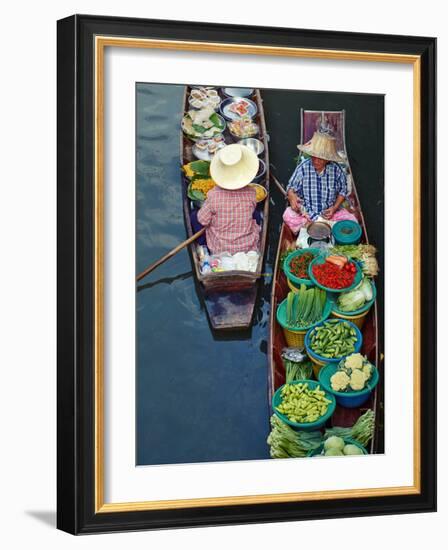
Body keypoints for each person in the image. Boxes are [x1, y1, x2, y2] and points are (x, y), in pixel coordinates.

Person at [283, 131, 358, 233]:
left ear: (327, 159)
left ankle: (319, 227)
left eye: (320, 158)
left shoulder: (336, 170)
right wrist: (292, 197)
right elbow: (290, 187)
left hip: (329, 215)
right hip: (307, 214)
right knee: (287, 214)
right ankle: (313, 226)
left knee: (352, 221)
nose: (316, 161)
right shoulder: (303, 167)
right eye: (313, 156)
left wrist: (334, 208)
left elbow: (343, 191)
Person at [194, 143, 261, 255]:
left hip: (220, 248)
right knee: (256, 215)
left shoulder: (213, 195)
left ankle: (203, 245)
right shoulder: (251, 192)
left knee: (194, 216)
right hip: (247, 246)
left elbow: (202, 220)